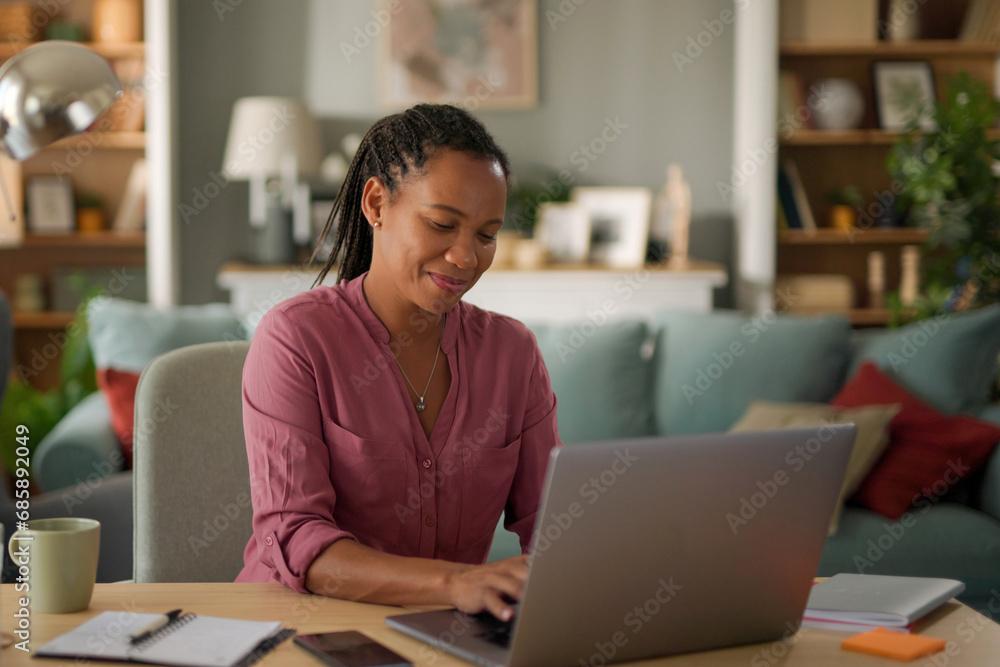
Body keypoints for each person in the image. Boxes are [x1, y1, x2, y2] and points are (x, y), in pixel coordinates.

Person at [235, 104, 562, 622]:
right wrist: (456, 582)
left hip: (443, 636)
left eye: (485, 234)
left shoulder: (513, 354)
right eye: (441, 224)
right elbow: (296, 538)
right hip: (296, 627)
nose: (465, 257)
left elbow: (553, 523)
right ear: (376, 203)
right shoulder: (296, 338)